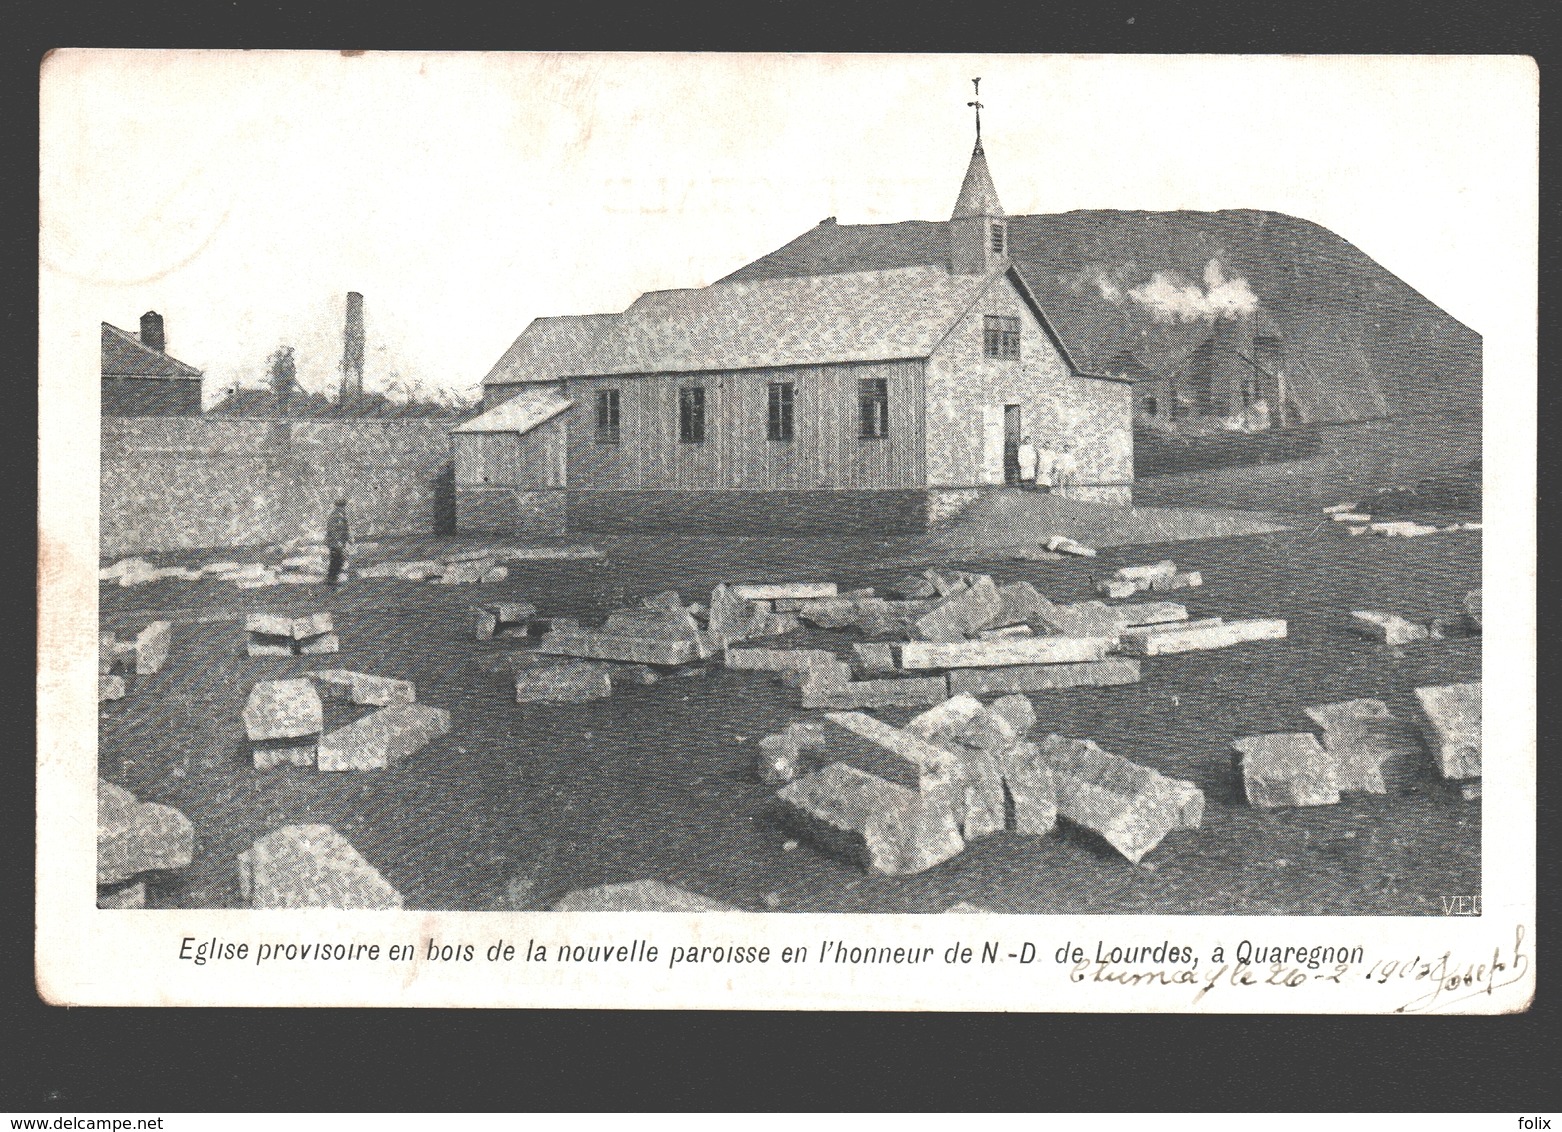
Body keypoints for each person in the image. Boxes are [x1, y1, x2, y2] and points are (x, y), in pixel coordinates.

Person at [325, 498, 350, 586]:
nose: (344, 508)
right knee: (338, 560)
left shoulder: (336, 514)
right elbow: (338, 530)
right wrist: (339, 541)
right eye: (343, 506)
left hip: (334, 542)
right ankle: (331, 579)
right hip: (336, 542)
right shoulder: (338, 515)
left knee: (335, 560)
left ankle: (331, 579)